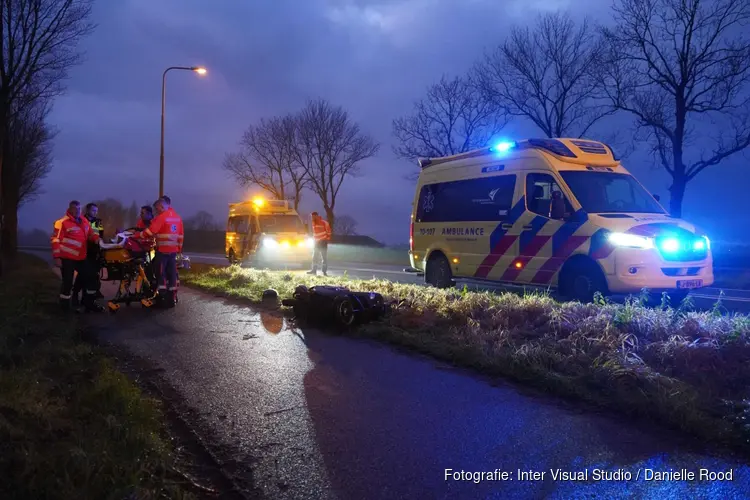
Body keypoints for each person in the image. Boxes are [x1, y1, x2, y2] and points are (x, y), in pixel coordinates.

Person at [51, 200, 104, 312]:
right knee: (68, 283)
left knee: (91, 277)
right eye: (75, 208)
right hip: (67, 258)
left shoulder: (83, 221)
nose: (77, 211)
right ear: (70, 209)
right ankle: (65, 308)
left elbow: (90, 234)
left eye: (79, 208)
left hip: (81, 257)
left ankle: (88, 303)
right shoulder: (62, 222)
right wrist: (57, 257)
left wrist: (97, 239)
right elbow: (55, 239)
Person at [131, 196, 183, 308]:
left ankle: (162, 298)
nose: (157, 211)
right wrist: (178, 250)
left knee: (160, 274)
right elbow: (180, 236)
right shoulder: (177, 218)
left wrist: (136, 236)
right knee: (172, 274)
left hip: (162, 251)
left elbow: (150, 231)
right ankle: (172, 298)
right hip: (173, 252)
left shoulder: (162, 217)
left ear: (162, 206)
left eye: (157, 208)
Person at [72, 202, 104, 304]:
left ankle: (88, 298)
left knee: (93, 275)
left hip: (94, 252)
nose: (95, 213)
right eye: (93, 210)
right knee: (82, 274)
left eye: (96, 211)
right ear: (87, 210)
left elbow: (100, 236)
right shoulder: (81, 220)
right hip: (83, 251)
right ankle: (76, 294)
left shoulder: (98, 223)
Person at [308, 211, 331, 276]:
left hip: (323, 241)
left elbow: (329, 231)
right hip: (316, 242)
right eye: (311, 217)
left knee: (324, 257)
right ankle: (314, 270)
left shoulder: (324, 222)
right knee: (315, 256)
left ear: (316, 216)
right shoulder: (313, 223)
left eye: (312, 216)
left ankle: (324, 272)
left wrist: (326, 239)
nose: (311, 218)